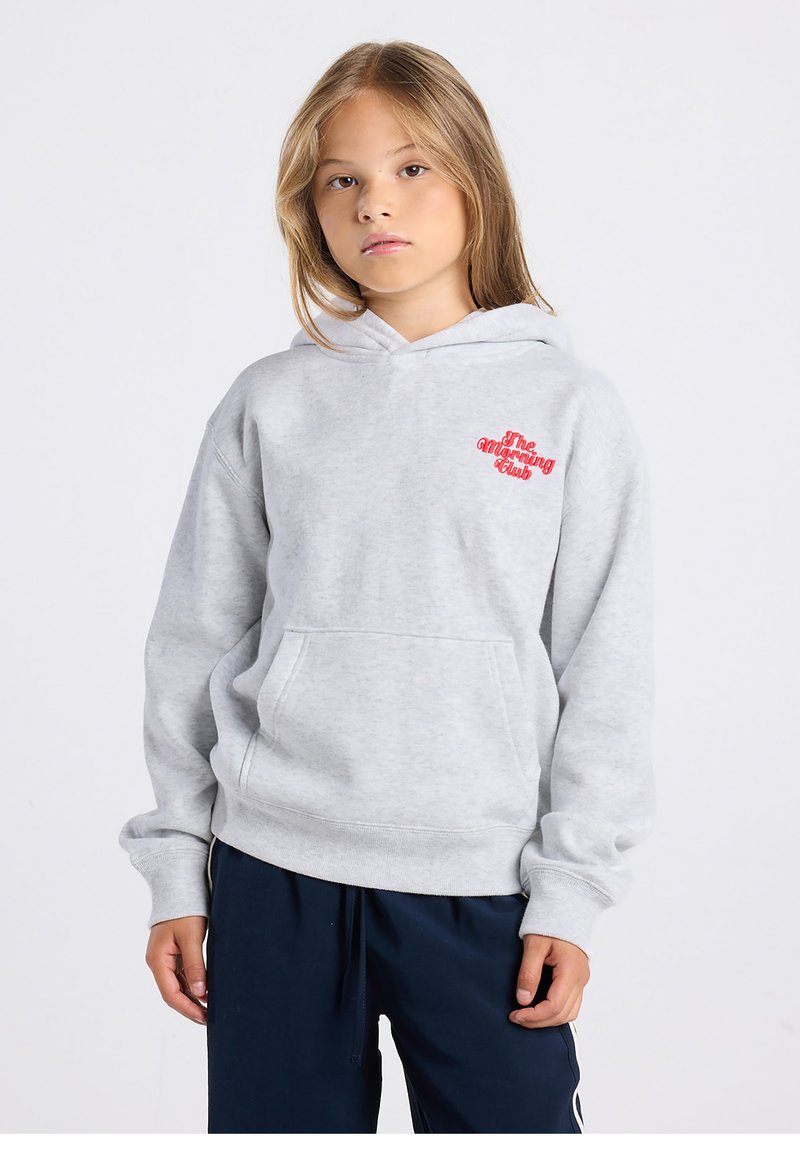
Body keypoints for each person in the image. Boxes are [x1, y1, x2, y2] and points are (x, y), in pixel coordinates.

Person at [118, 40, 655, 1135]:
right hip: (273, 872)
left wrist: (571, 891)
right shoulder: (270, 401)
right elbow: (194, 637)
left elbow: (606, 665)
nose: (374, 203)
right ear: (308, 208)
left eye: (411, 168)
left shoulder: (567, 406)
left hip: (483, 881)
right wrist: (177, 866)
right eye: (341, 179)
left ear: (475, 181)